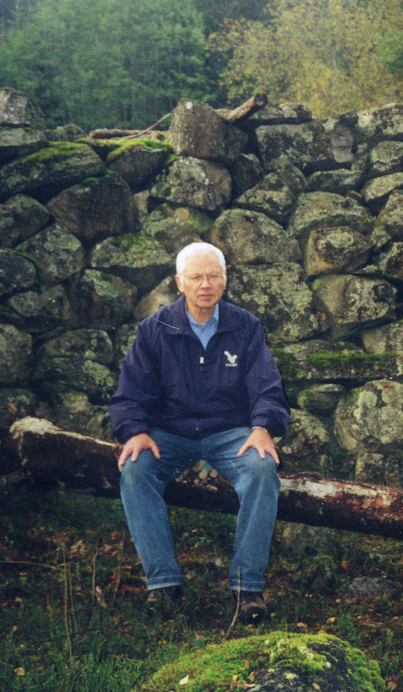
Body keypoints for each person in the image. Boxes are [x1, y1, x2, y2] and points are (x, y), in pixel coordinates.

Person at [109, 242, 290, 622]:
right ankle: (163, 585)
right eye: (196, 277)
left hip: (229, 433)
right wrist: (136, 431)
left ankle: (247, 588)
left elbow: (267, 387)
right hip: (170, 433)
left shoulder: (245, 326)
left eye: (213, 276)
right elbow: (129, 394)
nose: (205, 284)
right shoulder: (153, 329)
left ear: (225, 281)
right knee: (135, 469)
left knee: (262, 469)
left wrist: (262, 428)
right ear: (180, 282)